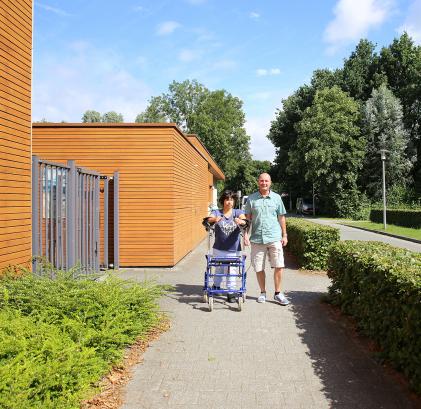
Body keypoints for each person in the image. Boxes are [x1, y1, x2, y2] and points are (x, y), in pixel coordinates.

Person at [244, 173, 289, 305]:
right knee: (258, 267)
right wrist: (245, 234)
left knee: (279, 265)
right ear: (258, 182)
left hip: (274, 237)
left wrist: (284, 235)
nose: (264, 183)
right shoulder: (251, 199)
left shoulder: (277, 198)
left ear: (270, 182)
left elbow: (281, 217)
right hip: (257, 238)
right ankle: (262, 292)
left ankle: (278, 293)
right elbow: (247, 219)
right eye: (262, 181)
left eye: (266, 181)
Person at [206, 190, 247, 303]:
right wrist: (214, 219)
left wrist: (241, 221)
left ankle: (231, 292)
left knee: (231, 270)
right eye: (227, 199)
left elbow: (245, 221)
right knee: (219, 268)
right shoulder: (217, 212)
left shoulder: (237, 212)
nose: (229, 202)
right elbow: (208, 219)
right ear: (223, 201)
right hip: (218, 248)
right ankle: (216, 286)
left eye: (232, 199)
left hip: (233, 249)